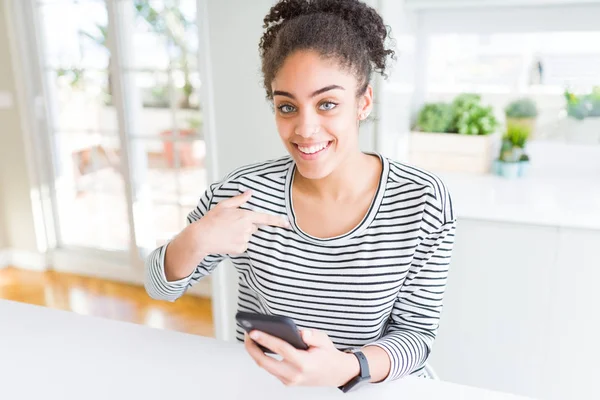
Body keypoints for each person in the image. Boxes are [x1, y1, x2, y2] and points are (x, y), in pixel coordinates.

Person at [145, 0, 456, 390]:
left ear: (363, 102)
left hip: (375, 387)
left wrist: (348, 367)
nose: (305, 129)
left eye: (327, 104)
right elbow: (160, 287)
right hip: (272, 386)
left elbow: (418, 335)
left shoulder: (422, 201)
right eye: (287, 107)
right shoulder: (244, 195)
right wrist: (197, 238)